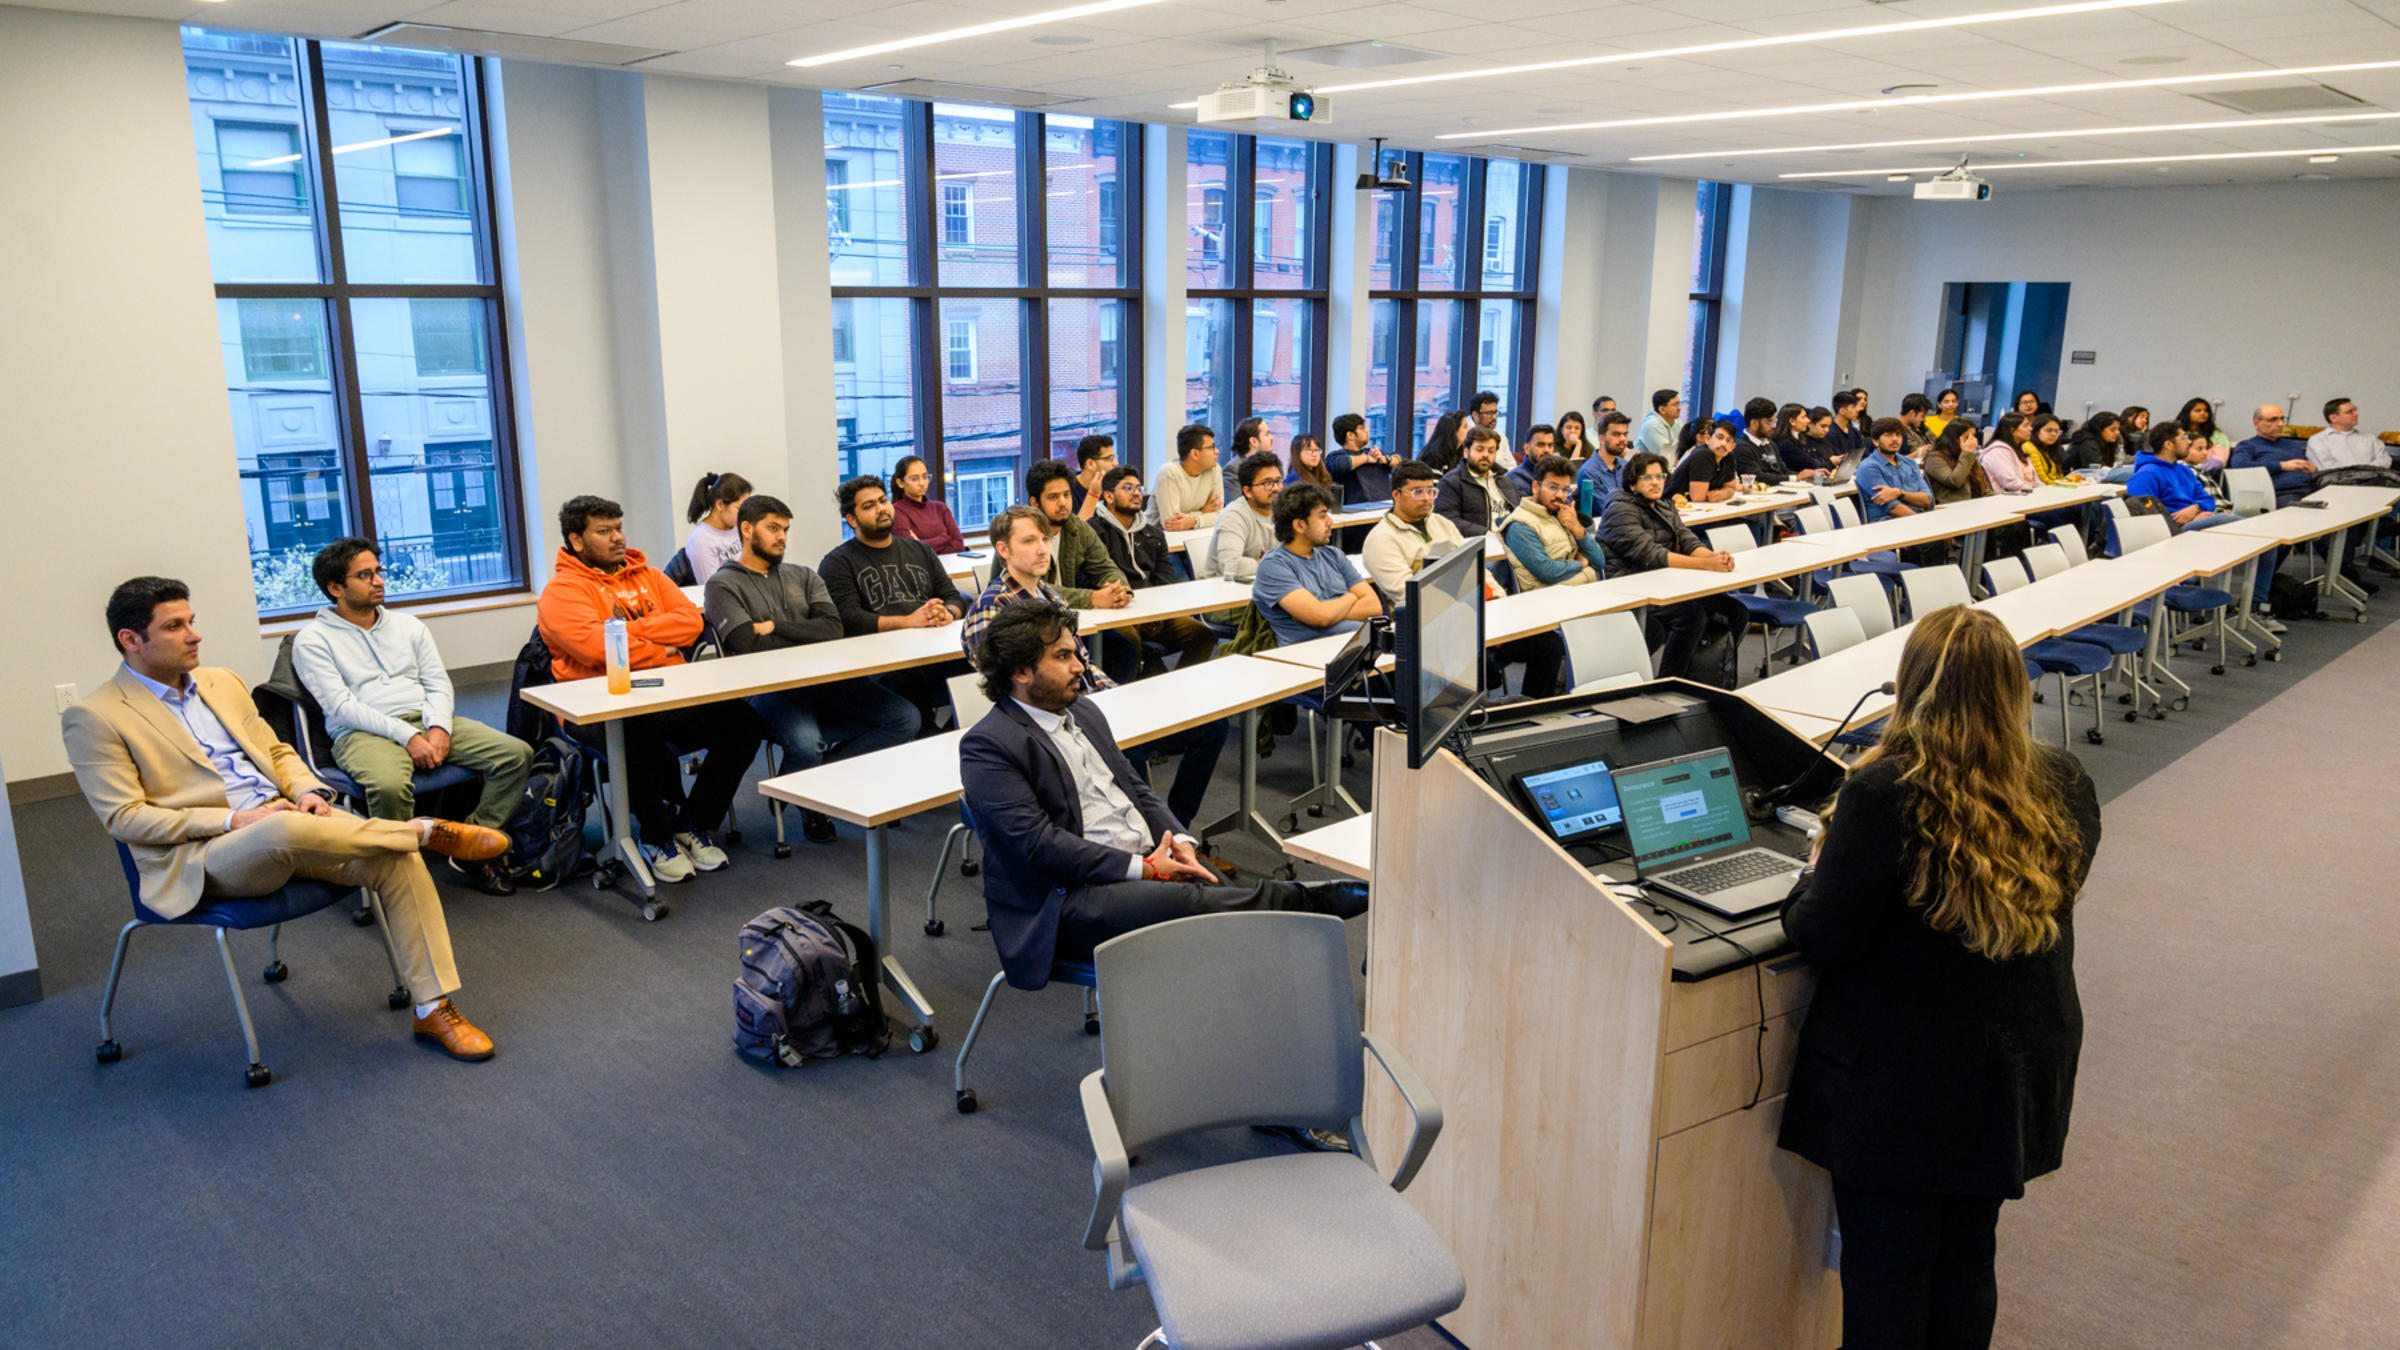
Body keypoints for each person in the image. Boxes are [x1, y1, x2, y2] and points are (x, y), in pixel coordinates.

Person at [1779, 604, 2101, 1350]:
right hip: (2014, 1068)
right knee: (1966, 1256)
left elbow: (1822, 933)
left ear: (1913, 685)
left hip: (1905, 1083)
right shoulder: (2064, 781)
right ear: (2012, 689)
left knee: (1888, 1271)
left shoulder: (1884, 791)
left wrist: (1811, 873)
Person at [67, 576, 508, 1061]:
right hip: (207, 856)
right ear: (131, 639)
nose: (194, 635)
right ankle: (420, 831)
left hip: (295, 826)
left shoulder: (221, 682)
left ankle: (433, 1007)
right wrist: (236, 821)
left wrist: (309, 792)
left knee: (394, 858)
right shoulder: (96, 715)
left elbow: (277, 751)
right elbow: (126, 818)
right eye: (174, 627)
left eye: (191, 621)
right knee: (283, 826)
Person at [956, 596, 1367, 995]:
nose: (1079, 665)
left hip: (1143, 859)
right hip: (1065, 898)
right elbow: (1040, 845)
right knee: (1203, 903)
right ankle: (1305, 902)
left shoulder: (1083, 711)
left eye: (1075, 652)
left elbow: (1134, 786)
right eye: (1062, 657)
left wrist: (1180, 840)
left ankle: (1262, 995)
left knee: (1218, 898)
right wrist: (1144, 868)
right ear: (1022, 671)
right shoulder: (988, 746)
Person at [538, 494, 764, 883]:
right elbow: (596, 649)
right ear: (576, 540)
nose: (617, 537)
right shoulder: (562, 591)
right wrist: (661, 647)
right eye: (604, 531)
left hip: (667, 692)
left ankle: (692, 823)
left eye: (618, 528)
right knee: (638, 729)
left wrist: (624, 632)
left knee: (744, 722)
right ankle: (655, 837)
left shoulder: (649, 575)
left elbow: (690, 624)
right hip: (594, 707)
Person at [292, 539, 531, 896]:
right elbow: (341, 707)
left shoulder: (408, 626)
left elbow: (437, 682)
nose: (378, 581)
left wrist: (439, 727)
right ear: (335, 588)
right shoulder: (312, 640)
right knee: (389, 786)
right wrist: (408, 736)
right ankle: (401, 873)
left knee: (516, 755)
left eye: (378, 571)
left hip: (424, 719)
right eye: (365, 575)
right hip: (361, 733)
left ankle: (469, 846)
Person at [963, 507, 1227, 829]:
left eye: (1045, 539)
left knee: (1211, 726)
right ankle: (1154, 836)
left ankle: (1175, 828)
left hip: (1089, 706)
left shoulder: (1051, 597)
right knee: (1129, 754)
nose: (1043, 549)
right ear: (1003, 550)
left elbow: (1084, 665)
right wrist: (1095, 712)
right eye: (1029, 541)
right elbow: (1008, 689)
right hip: (1053, 723)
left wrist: (1116, 697)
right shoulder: (992, 607)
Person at [704, 495, 917, 843]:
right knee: (805, 745)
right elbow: (747, 643)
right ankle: (810, 802)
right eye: (773, 528)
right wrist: (804, 632)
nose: (782, 537)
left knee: (904, 717)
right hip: (769, 689)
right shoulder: (722, 584)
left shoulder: (802, 575)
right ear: (747, 529)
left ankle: (805, 782)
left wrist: (773, 626)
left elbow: (832, 628)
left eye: (785, 530)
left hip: (826, 680)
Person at [1366, 460, 1567, 699]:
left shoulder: (1442, 524)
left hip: (1476, 617)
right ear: (1396, 495)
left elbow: (1476, 566)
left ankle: (1529, 711)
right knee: (1478, 669)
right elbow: (1412, 596)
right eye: (1418, 492)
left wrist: (1497, 599)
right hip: (1433, 633)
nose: (1427, 498)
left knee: (1548, 644)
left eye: (1431, 491)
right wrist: (1473, 605)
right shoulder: (1381, 540)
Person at [818, 475, 972, 726]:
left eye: (883, 501)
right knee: (911, 680)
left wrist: (949, 613)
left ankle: (958, 737)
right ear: (852, 519)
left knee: (985, 668)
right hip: (882, 663)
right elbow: (849, 618)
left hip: (932, 650)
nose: (881, 509)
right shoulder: (838, 562)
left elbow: (951, 595)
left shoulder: (920, 550)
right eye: (869, 506)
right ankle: (930, 737)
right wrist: (908, 622)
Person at [1597, 453, 1746, 682]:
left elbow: (1687, 540)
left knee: (1736, 611)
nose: (1656, 482)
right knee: (1691, 615)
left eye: (1660, 477)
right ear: (1632, 483)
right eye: (1647, 477)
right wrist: (1706, 564)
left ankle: (1705, 675)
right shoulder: (1619, 510)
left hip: (1667, 585)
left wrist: (1715, 558)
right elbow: (1651, 555)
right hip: (1632, 589)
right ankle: (1669, 682)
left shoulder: (1664, 505)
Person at [1085, 464, 1220, 677]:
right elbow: (1093, 580)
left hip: (1153, 611)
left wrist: (1158, 613)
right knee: (1129, 640)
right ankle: (1133, 687)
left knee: (1203, 635)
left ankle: (1177, 685)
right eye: (1127, 488)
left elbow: (1166, 580)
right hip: (1114, 611)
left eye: (1138, 488)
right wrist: (1138, 617)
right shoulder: (1093, 532)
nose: (1136, 493)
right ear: (1109, 497)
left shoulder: (1153, 534)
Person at [1253, 484, 1384, 647]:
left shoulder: (1333, 555)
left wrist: (1328, 612)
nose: (1330, 522)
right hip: (1310, 654)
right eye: (1322, 516)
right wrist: (1351, 597)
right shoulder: (1274, 566)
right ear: (1299, 526)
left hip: (1356, 647)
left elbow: (1374, 607)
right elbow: (1320, 617)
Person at [1502, 455, 1610, 591]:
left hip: (1581, 589)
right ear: (1535, 487)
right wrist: (1580, 563)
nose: (1560, 495)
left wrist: (1578, 529)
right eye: (1553, 487)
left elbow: (1599, 561)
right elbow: (1547, 571)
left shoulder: (1562, 515)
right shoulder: (1520, 524)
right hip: (1549, 597)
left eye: (1565, 489)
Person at [1435, 425, 1523, 537]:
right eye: (1480, 450)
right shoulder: (1450, 482)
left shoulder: (1506, 482)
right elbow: (1447, 520)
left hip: (1511, 540)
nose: (1485, 455)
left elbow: (1520, 514)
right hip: (1478, 542)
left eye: (1491, 451)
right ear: (1466, 452)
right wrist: (1486, 534)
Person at [1210, 450, 1283, 583]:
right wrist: (1268, 562)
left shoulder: (1283, 510)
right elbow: (1228, 565)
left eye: (1278, 481)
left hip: (1265, 583)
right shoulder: (1234, 515)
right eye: (1267, 483)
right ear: (1247, 491)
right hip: (1224, 588)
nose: (1276, 488)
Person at [1855, 418, 1935, 525]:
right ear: (1876, 441)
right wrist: (1923, 524)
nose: (1895, 439)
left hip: (1917, 518)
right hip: (1889, 523)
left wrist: (1899, 493)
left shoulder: (1910, 462)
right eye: (1888, 435)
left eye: (1898, 435)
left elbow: (1927, 500)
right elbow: (1893, 508)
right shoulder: (1868, 467)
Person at [680, 471, 752, 586]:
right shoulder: (701, 540)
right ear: (719, 505)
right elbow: (712, 588)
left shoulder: (736, 527)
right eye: (739, 508)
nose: (745, 514)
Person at [889, 454, 969, 554]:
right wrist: (944, 538)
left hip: (950, 563)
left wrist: (922, 544)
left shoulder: (940, 507)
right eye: (914, 479)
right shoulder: (896, 511)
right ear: (900, 483)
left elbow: (959, 545)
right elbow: (911, 551)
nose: (922, 483)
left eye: (925, 477)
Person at [1152, 423, 1224, 532]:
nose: (1217, 451)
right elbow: (1171, 523)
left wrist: (1193, 521)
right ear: (1195, 454)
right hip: (1159, 537)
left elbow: (1220, 515)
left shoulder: (1214, 469)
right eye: (1211, 448)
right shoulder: (1169, 473)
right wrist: (1202, 512)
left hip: (1195, 534)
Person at [1325, 412, 1393, 505]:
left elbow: (1399, 461)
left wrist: (1385, 459)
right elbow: (1342, 465)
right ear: (1350, 435)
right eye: (1362, 428)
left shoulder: (1373, 452)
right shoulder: (1335, 456)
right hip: (1358, 509)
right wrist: (1367, 458)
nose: (1367, 431)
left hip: (1386, 505)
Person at [2307, 397, 2390, 471]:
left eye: (2355, 410)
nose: (2356, 414)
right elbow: (2327, 468)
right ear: (2333, 418)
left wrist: (2365, 472)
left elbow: (2385, 460)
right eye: (2350, 412)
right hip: (2336, 482)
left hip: (2372, 480)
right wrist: (2361, 472)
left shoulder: (2370, 438)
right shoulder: (2318, 440)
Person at [1666, 421, 1740, 504]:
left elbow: (1731, 488)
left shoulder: (1728, 457)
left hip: (1696, 507)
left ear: (1732, 446)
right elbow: (1698, 497)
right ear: (1708, 439)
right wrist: (1722, 492)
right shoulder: (1702, 455)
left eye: (1728, 440)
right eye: (1719, 438)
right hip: (1670, 505)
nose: (1723, 443)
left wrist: (1721, 494)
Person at [1923, 421, 1991, 507]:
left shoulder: (1967, 456)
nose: (1972, 441)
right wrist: (1966, 454)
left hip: (1973, 505)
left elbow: (1983, 486)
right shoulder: (1934, 458)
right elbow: (1954, 482)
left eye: (1973, 436)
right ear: (1953, 438)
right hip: (1948, 507)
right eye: (1967, 437)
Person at [1579, 410, 1634, 515]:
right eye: (1616, 434)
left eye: (1625, 434)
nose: (1622, 439)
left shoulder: (1625, 466)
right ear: (1601, 438)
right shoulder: (1589, 472)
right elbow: (1608, 510)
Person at [1734, 398, 1790, 485]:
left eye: (1775, 421)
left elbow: (1783, 470)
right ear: (1754, 424)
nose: (1774, 426)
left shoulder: (1771, 444)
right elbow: (1757, 477)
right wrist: (1793, 478)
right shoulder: (1741, 447)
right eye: (1769, 422)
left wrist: (1798, 477)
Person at [1978, 414, 2038, 495]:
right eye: (2025, 426)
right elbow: (2010, 483)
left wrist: (2043, 491)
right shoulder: (1997, 451)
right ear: (2012, 430)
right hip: (2007, 498)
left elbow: (2036, 480)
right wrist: (2035, 492)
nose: (2031, 429)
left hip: (2025, 494)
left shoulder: (2019, 449)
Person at [1778, 404, 1837, 483]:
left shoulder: (1799, 439)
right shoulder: (1786, 443)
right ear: (1792, 421)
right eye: (1803, 417)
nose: (1808, 420)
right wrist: (1830, 462)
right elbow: (1809, 464)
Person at [1223, 417, 1274, 505]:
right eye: (1267, 434)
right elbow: (1235, 506)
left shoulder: (1269, 465)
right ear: (1253, 441)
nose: (1272, 438)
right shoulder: (1233, 469)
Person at [1503, 423, 1559, 498]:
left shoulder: (1555, 473)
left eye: (1550, 445)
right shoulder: (1515, 479)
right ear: (1527, 448)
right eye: (1541, 445)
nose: (1547, 450)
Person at [2176, 397, 2231, 473]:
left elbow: (2220, 460)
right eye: (2198, 411)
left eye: (2206, 411)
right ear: (2187, 413)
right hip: (2178, 470)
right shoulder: (2178, 432)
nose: (2203, 413)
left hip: (2205, 472)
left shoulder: (2217, 435)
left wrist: (2198, 468)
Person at [1072, 435, 1118, 520]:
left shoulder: (1110, 488)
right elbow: (1077, 527)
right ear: (1090, 464)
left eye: (1114, 458)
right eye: (1109, 458)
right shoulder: (1068, 491)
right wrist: (1094, 493)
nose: (1116, 463)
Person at [1826, 389, 1870, 470]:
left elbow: (1865, 454)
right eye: (1853, 407)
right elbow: (1841, 458)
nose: (1857, 410)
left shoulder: (1854, 432)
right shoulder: (1830, 432)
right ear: (1842, 411)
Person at [1418, 409, 1470, 475]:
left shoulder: (1462, 452)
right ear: (1453, 431)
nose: (1469, 429)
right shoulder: (1433, 457)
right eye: (1465, 427)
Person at [1636, 388, 1683, 459]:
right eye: (1675, 405)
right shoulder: (1652, 425)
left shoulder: (1677, 422)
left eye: (1679, 403)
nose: (1679, 408)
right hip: (1645, 464)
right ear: (1662, 410)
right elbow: (1667, 455)